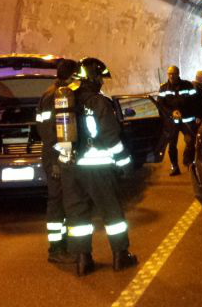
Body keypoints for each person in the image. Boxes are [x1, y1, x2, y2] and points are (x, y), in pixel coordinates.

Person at [59, 57, 137, 276]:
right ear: (92, 77)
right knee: (112, 212)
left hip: (71, 167)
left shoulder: (65, 100)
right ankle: (121, 257)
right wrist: (125, 163)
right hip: (98, 167)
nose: (102, 82)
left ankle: (83, 261)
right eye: (100, 77)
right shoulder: (99, 102)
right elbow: (111, 137)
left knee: (78, 216)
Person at [36, 59, 78, 264]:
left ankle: (64, 245)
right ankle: (56, 248)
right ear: (69, 76)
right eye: (75, 76)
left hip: (60, 156)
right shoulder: (53, 96)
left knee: (65, 201)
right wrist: (57, 159)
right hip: (55, 158)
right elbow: (47, 132)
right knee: (56, 203)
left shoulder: (61, 94)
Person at [156, 66, 200, 176]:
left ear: (178, 74)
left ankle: (188, 161)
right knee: (172, 146)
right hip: (172, 122)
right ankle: (175, 167)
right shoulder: (164, 88)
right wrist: (172, 113)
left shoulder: (188, 85)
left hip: (187, 120)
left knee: (191, 141)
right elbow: (160, 104)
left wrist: (196, 115)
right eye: (169, 73)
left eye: (173, 73)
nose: (171, 76)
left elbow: (195, 102)